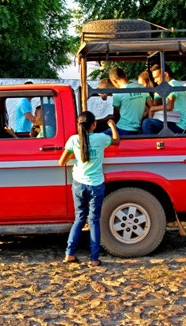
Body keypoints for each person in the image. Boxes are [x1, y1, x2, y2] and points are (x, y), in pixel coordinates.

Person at [60, 112, 120, 266]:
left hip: (79, 184)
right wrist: (112, 125)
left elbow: (61, 162)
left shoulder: (74, 140)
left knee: (79, 219)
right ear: (94, 125)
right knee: (94, 222)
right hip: (96, 185)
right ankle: (94, 259)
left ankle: (69, 254)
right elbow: (116, 141)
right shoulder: (100, 138)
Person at [141, 64, 186, 134]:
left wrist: (152, 109)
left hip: (179, 125)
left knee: (147, 123)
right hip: (172, 120)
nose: (155, 81)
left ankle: (149, 144)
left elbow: (169, 106)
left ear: (165, 74)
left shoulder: (172, 84)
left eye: (157, 77)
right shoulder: (169, 86)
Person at [106, 67, 151, 135]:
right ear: (125, 75)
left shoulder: (118, 93)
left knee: (97, 138)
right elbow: (151, 105)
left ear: (114, 81)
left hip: (122, 128)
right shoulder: (141, 87)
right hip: (138, 128)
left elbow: (115, 116)